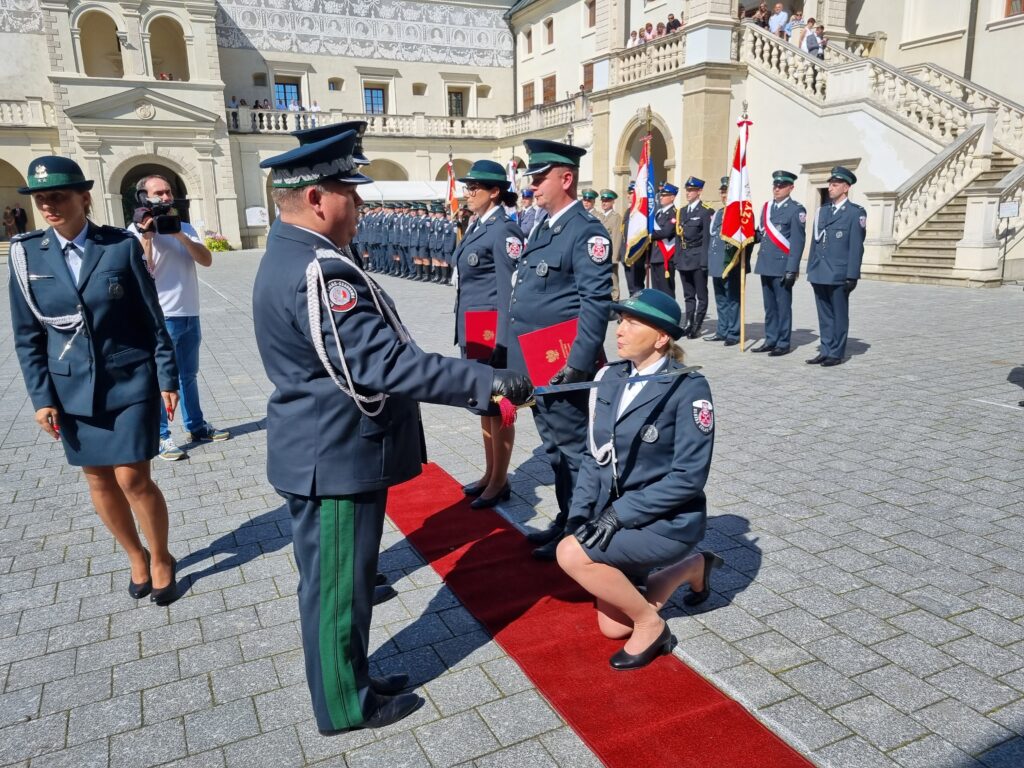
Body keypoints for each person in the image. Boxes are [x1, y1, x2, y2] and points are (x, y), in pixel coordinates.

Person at [252, 128, 533, 735]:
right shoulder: (322, 272)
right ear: (321, 199)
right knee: (335, 592)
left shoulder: (294, 254)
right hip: (335, 455)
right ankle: (345, 705)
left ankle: (353, 676)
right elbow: (386, 364)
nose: (359, 206)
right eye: (351, 193)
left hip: (327, 447)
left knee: (345, 585)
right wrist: (484, 385)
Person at [8, 155, 180, 605]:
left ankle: (161, 556)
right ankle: (135, 555)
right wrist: (41, 397)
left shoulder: (120, 246)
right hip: (71, 387)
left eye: (58, 196)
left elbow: (152, 318)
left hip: (129, 379)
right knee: (98, 479)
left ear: (84, 198)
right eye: (41, 198)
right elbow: (28, 336)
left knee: (132, 478)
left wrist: (168, 377)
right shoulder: (26, 255)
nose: (48, 206)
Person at [556, 289, 721, 669]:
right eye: (620, 320)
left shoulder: (688, 388)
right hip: (618, 515)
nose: (620, 329)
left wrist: (618, 515)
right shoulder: (610, 377)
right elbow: (592, 456)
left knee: (570, 555)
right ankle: (692, 568)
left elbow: (688, 478)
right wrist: (579, 515)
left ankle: (652, 626)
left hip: (666, 522)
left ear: (661, 337)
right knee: (612, 628)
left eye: (633, 322)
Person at [507, 139, 613, 560]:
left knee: (573, 450)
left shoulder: (586, 232)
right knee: (553, 447)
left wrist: (576, 365)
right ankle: (568, 516)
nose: (532, 185)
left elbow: (596, 304)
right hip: (537, 361)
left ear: (566, 179)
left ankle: (583, 527)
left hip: (562, 364)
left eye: (540, 177)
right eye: (531, 177)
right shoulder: (544, 225)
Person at [129, 175, 230, 460]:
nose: (165, 197)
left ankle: (196, 426)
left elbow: (206, 260)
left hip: (189, 312)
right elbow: (144, 270)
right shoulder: (134, 232)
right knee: (163, 379)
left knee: (188, 375)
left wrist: (178, 235)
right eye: (158, 193)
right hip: (162, 317)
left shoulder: (184, 227)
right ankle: (161, 435)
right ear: (143, 198)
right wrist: (148, 237)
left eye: (168, 192)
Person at [453, 161, 525, 507]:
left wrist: (502, 343)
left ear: (494, 191)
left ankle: (500, 481)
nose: (467, 194)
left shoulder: (503, 231)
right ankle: (489, 472)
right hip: (473, 331)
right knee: (483, 405)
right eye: (467, 188)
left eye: (474, 188)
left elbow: (508, 290)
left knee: (500, 408)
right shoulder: (477, 225)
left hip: (492, 335)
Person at [806, 166, 865, 367]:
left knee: (839, 314)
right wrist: (811, 268)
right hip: (819, 271)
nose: (830, 188)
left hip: (839, 273)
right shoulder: (822, 211)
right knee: (824, 314)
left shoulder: (855, 213)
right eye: (830, 184)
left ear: (846, 187)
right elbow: (815, 243)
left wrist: (852, 275)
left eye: (835, 184)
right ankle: (825, 349)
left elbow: (856, 247)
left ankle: (837, 352)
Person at [751, 170, 806, 356]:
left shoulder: (796, 210)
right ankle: (770, 339)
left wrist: (792, 268)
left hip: (782, 265)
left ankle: (783, 342)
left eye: (781, 186)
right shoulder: (766, 208)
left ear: (791, 187)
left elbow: (798, 242)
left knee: (782, 306)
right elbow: (761, 234)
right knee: (769, 307)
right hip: (765, 263)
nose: (777, 188)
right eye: (775, 185)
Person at [704, 177, 741, 346]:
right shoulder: (718, 213)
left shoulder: (740, 212)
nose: (724, 195)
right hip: (717, 261)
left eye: (727, 191)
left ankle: (733, 332)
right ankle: (722, 329)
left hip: (730, 262)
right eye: (723, 191)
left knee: (732, 299)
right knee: (720, 298)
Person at [675, 177, 714, 338]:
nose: (688, 193)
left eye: (691, 190)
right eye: (687, 190)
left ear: (699, 192)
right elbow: (678, 238)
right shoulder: (682, 211)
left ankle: (697, 325)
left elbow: (707, 238)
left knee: (701, 294)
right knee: (688, 294)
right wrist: (677, 258)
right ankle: (689, 323)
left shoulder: (706, 211)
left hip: (698, 258)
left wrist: (705, 261)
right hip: (684, 258)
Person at [650, 182, 679, 298]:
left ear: (672, 197)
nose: (661, 197)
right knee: (656, 290)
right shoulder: (658, 213)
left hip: (665, 256)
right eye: (661, 195)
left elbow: (666, 232)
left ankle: (669, 314)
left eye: (664, 195)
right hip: (655, 256)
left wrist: (650, 235)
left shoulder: (674, 213)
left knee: (666, 289)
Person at [598, 189, 624, 301]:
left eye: (607, 201)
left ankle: (615, 302)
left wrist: (614, 258)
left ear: (613, 202)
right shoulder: (600, 217)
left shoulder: (616, 217)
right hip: (600, 254)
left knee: (613, 280)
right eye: (603, 200)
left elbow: (617, 238)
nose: (604, 203)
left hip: (609, 255)